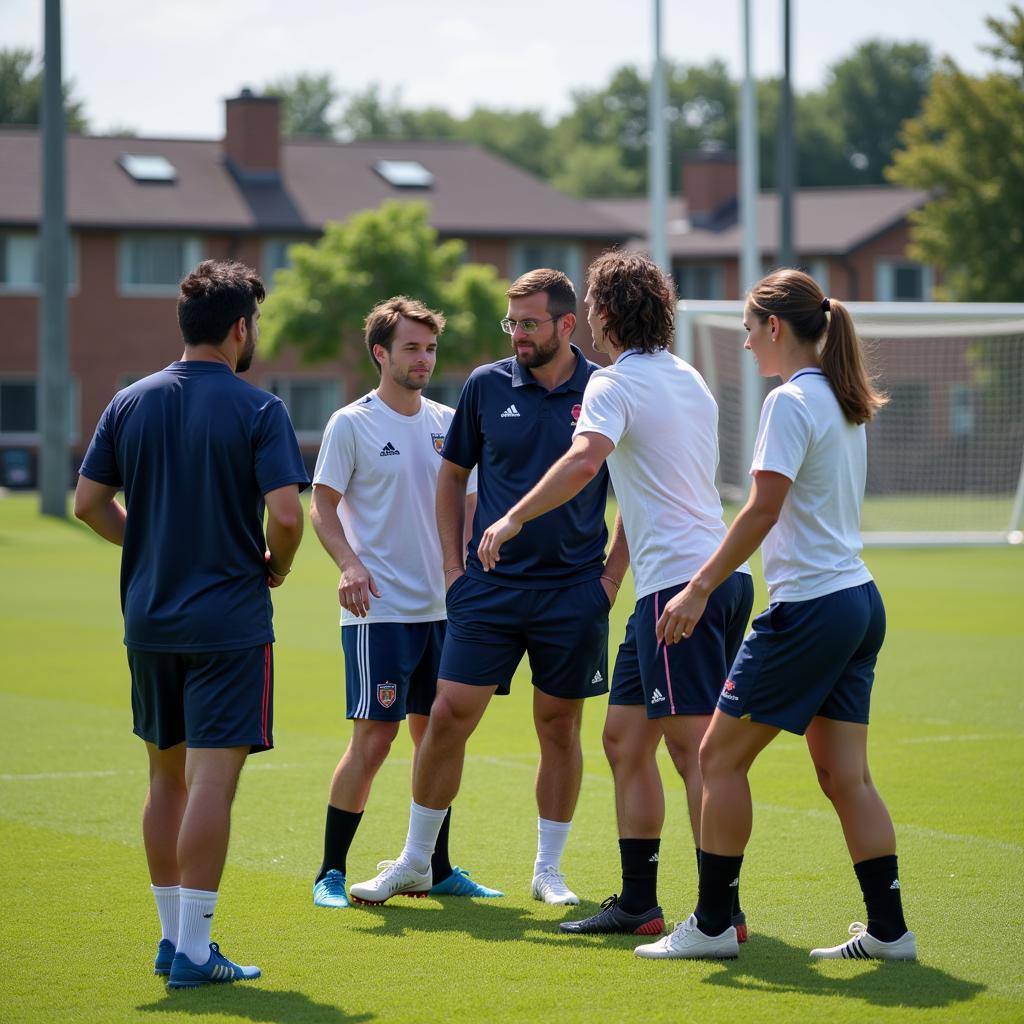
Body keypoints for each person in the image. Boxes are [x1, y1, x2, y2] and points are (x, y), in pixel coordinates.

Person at [633, 268, 915, 961]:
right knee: (845, 776)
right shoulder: (841, 398)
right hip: (858, 602)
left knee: (716, 758)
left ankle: (710, 925)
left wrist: (698, 587)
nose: (747, 342)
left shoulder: (791, 403)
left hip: (812, 609)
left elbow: (762, 508)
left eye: (749, 330)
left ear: (776, 328)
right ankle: (890, 932)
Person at [475, 250, 753, 939]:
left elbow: (583, 461)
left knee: (694, 753)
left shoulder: (614, 383)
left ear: (600, 314)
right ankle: (639, 903)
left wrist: (512, 515)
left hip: (681, 590)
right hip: (687, 584)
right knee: (625, 741)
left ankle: (720, 915)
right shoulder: (687, 376)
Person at [351, 269, 625, 906]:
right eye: (512, 323)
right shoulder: (484, 384)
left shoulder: (606, 389)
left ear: (565, 324)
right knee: (446, 718)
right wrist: (453, 570)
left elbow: (635, 492)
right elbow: (452, 479)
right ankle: (417, 860)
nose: (517, 335)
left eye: (529, 323)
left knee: (559, 727)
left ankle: (548, 870)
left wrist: (611, 578)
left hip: (574, 592)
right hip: (488, 591)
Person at [73, 259, 308, 988]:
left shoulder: (128, 402)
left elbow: (87, 503)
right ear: (242, 329)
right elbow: (289, 514)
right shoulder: (259, 408)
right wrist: (278, 561)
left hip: (149, 620)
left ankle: (173, 943)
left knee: (164, 778)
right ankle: (198, 953)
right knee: (212, 784)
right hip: (228, 622)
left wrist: (143, 546)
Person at [309, 297, 502, 909]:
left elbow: (470, 507)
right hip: (382, 612)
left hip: (448, 611)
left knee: (439, 739)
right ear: (380, 353)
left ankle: (436, 867)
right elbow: (322, 505)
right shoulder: (352, 424)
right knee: (374, 742)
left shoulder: (450, 420)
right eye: (412, 348)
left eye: (430, 348)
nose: (424, 359)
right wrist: (349, 563)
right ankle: (330, 872)